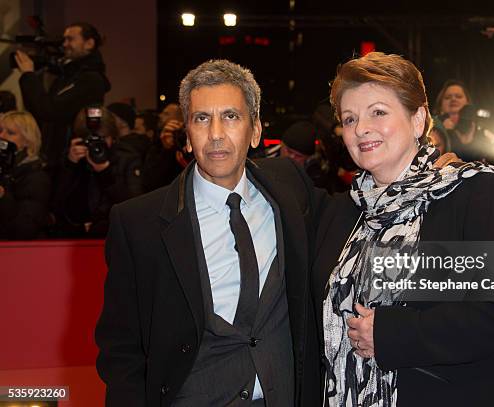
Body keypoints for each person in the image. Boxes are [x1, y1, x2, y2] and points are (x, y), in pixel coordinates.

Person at [311, 52, 494, 406]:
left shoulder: (475, 190)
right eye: (350, 119)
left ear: (418, 118)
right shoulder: (344, 212)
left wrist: (391, 335)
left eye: (378, 112)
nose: (361, 128)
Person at [95, 59, 324, 406]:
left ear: (256, 130)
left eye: (231, 116)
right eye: (202, 118)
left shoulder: (290, 190)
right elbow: (121, 349)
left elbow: (359, 209)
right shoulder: (138, 223)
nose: (216, 133)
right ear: (187, 135)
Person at [15, 22, 111, 179]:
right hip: (60, 160)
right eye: (64, 40)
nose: (64, 44)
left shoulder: (90, 79)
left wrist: (28, 75)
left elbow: (48, 110)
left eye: (70, 39)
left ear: (89, 43)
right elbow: (41, 109)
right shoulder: (68, 77)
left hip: (73, 166)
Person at [52, 107, 144, 237]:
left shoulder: (127, 159)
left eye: (102, 138)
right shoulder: (74, 159)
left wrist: (105, 172)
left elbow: (135, 207)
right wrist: (70, 165)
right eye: (90, 139)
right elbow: (57, 205)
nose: (96, 144)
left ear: (113, 136)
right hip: (74, 236)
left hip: (113, 236)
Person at [0, 111, 51, 239]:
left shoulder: (36, 177)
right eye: (0, 130)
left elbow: (25, 228)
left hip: (18, 251)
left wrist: (3, 197)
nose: (2, 136)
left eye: (10, 133)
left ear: (27, 141)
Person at [434, 80, 494, 165]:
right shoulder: (433, 130)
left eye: (458, 96)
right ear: (440, 104)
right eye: (448, 97)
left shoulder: (482, 129)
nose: (453, 99)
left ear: (467, 102)